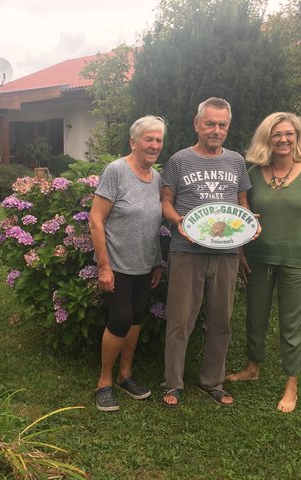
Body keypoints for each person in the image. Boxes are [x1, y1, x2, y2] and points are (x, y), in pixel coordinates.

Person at [227, 112, 301, 413]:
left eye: (289, 134)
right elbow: (243, 215)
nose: (283, 139)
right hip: (258, 257)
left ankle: (291, 384)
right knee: (255, 316)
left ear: (297, 137)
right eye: (276, 134)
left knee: (292, 323)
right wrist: (241, 252)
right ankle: (252, 367)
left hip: (295, 259)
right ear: (267, 138)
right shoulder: (253, 173)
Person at [160, 97, 253, 408]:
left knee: (221, 319)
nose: (216, 130)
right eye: (210, 123)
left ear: (228, 127)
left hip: (226, 253)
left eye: (222, 125)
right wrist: (179, 222)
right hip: (186, 250)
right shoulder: (179, 160)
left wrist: (248, 227)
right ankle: (172, 383)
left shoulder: (237, 162)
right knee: (179, 319)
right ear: (196, 124)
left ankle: (212, 381)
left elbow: (242, 204)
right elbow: (166, 201)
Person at [90, 115, 166, 412]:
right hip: (118, 264)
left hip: (145, 266)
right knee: (120, 320)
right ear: (133, 141)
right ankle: (104, 382)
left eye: (158, 140)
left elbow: (152, 223)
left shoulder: (157, 178)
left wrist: (158, 262)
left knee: (136, 318)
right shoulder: (116, 171)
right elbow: (96, 221)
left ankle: (125, 375)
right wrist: (104, 267)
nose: (154, 145)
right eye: (148, 139)